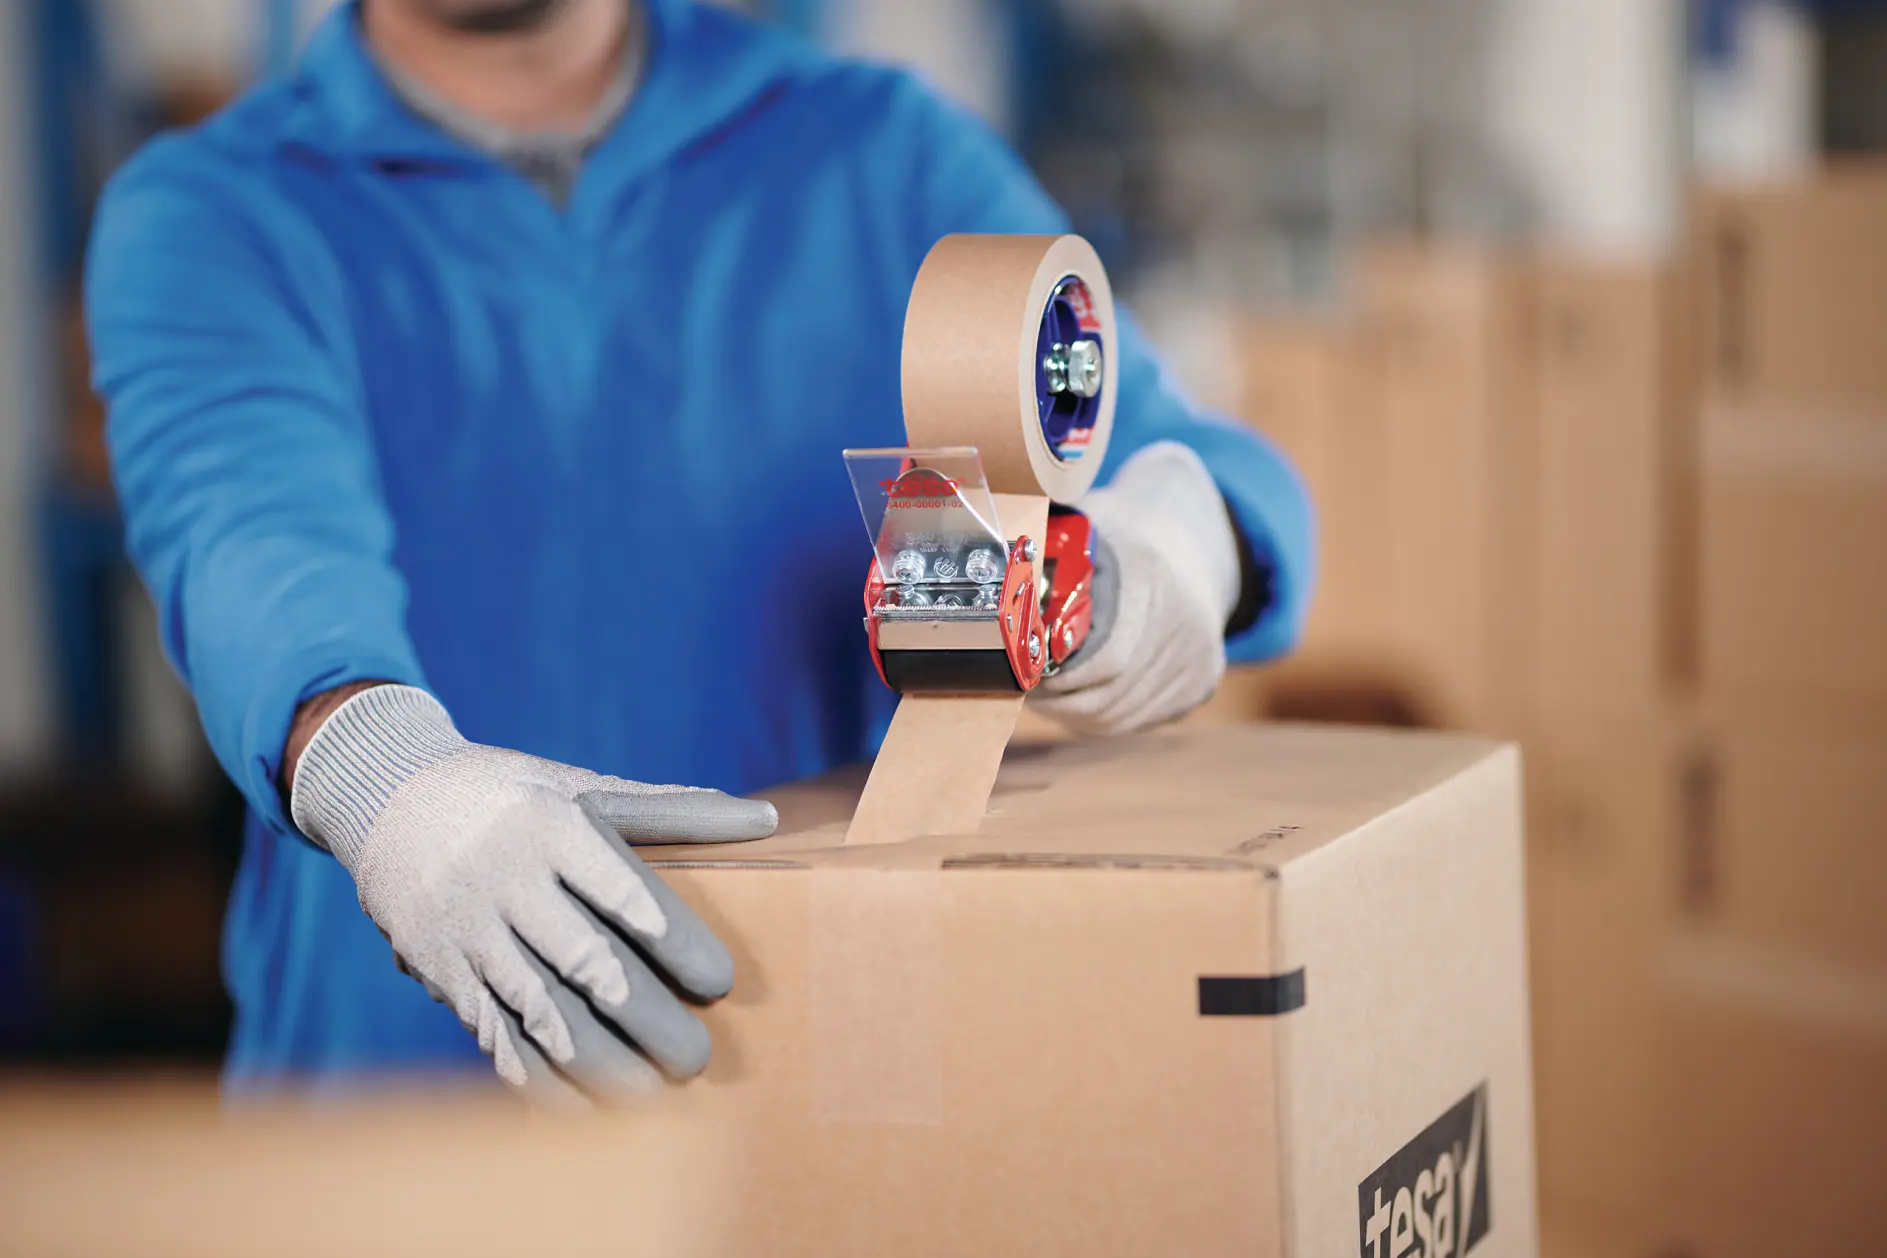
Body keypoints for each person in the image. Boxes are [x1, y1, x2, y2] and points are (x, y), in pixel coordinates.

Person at [85, 0, 1313, 1103]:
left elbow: (1175, 451)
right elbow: (250, 541)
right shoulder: (217, 210)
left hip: (817, 1075)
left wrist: (1176, 550)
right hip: (396, 1123)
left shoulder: (875, 156)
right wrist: (387, 777)